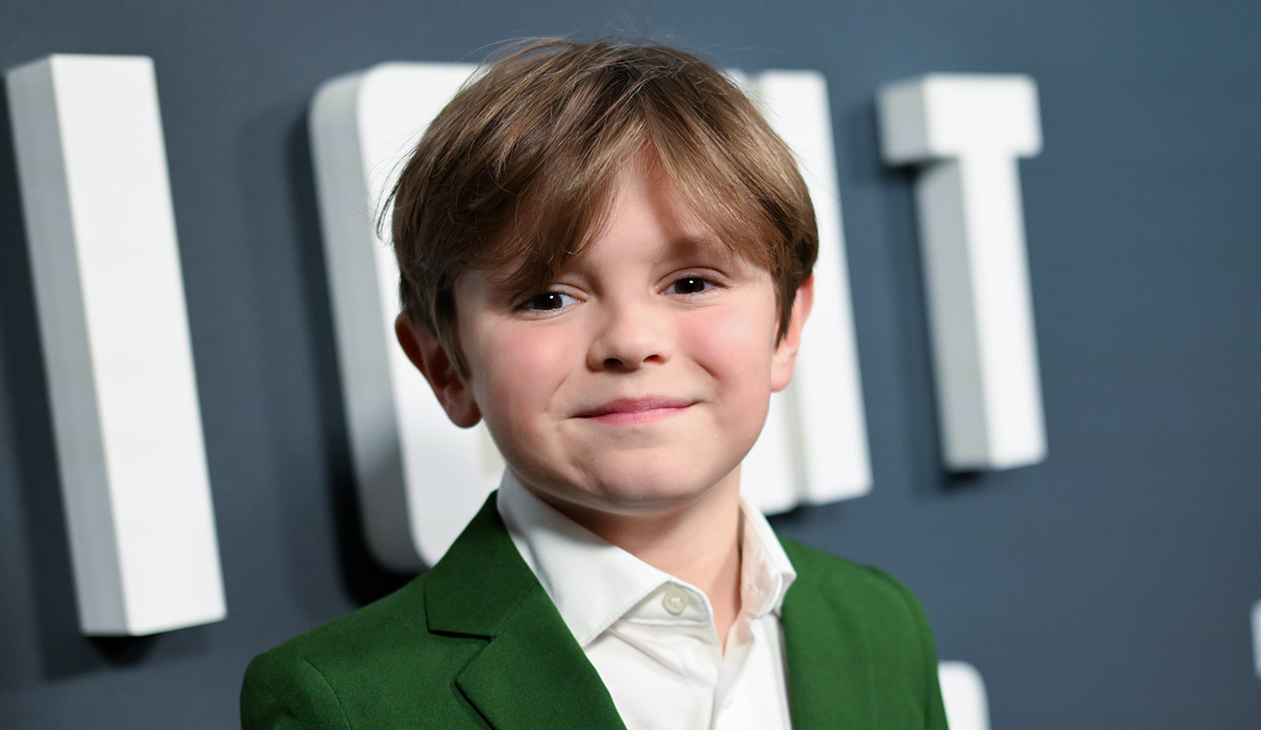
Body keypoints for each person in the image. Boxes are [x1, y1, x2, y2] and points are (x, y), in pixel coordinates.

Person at [241, 37, 948, 730]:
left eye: (692, 283)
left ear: (785, 329)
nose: (631, 343)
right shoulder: (340, 704)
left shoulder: (880, 623)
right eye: (546, 298)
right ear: (446, 367)